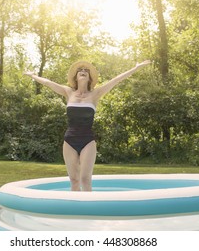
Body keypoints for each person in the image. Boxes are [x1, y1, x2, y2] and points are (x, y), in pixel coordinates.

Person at [24, 59, 151, 191]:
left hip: (87, 140)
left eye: (86, 71)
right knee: (74, 180)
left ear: (89, 77)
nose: (83, 71)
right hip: (69, 140)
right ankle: (74, 209)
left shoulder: (95, 94)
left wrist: (135, 68)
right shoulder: (68, 92)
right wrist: (33, 76)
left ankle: (88, 210)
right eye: (80, 70)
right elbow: (48, 83)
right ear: (76, 77)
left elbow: (116, 80)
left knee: (85, 179)